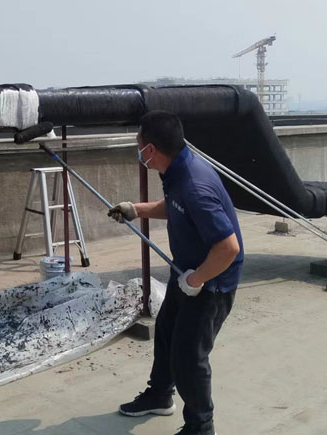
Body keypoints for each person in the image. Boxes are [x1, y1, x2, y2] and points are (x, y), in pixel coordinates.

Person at [108, 110, 244, 435]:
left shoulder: (196, 185)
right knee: (167, 334)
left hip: (211, 282)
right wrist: (136, 210)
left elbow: (228, 248)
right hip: (185, 273)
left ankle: (201, 427)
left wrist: (196, 280)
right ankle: (159, 394)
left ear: (151, 149)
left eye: (138, 144)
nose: (138, 150)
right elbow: (175, 206)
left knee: (189, 357)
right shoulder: (178, 169)